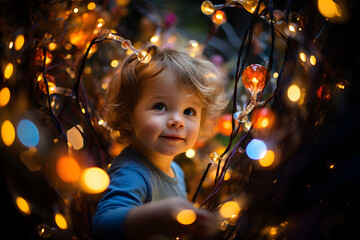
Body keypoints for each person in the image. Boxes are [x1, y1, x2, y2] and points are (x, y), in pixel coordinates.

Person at [92, 44, 227, 239]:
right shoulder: (132, 172)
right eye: (160, 106)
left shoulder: (176, 171)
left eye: (189, 111)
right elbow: (103, 226)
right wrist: (156, 218)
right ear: (127, 118)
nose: (177, 121)